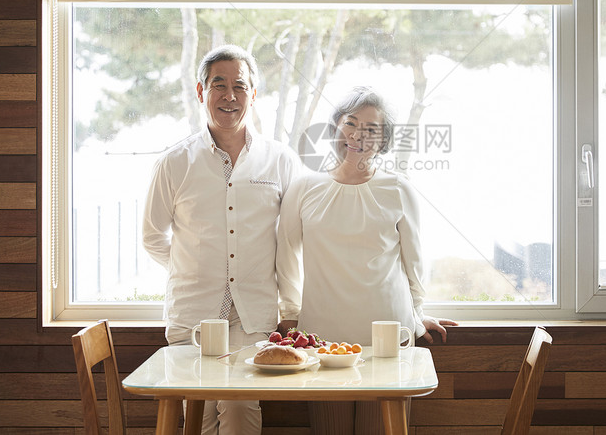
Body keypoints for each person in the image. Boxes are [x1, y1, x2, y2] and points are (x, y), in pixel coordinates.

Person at [277, 85, 457, 434]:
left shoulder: (398, 188)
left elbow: (414, 261)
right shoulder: (303, 188)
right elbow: (286, 257)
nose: (358, 135)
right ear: (335, 129)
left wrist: (418, 312)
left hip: (388, 334)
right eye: (351, 123)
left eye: (372, 129)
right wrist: (290, 315)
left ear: (383, 139)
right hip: (322, 337)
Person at [143, 44, 300, 435]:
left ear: (254, 94)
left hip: (254, 317)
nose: (230, 96)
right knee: (197, 415)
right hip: (191, 313)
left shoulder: (280, 160)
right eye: (219, 85)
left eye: (240, 86)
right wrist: (191, 265)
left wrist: (292, 305)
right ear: (201, 92)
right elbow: (151, 236)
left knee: (241, 407)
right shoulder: (175, 162)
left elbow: (294, 239)